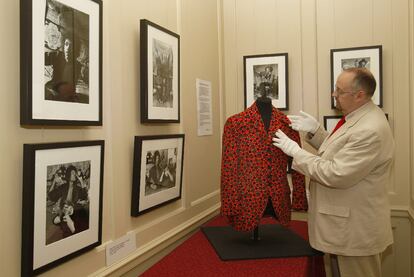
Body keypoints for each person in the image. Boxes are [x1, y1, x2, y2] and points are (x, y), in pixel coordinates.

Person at [272, 68, 394, 277]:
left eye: (339, 90)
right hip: (344, 227)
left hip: (355, 230)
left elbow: (336, 173)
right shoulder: (359, 117)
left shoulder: (370, 129)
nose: (334, 94)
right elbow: (342, 151)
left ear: (359, 95)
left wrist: (296, 152)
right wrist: (315, 131)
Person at [48, 165, 89, 238]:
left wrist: (81, 180)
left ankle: (65, 219)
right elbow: (51, 196)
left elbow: (84, 196)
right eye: (72, 173)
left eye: (75, 173)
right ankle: (65, 218)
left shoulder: (78, 188)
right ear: (68, 174)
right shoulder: (63, 187)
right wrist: (54, 180)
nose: (74, 174)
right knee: (56, 221)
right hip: (64, 210)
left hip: (73, 211)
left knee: (68, 227)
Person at [45, 35, 82, 102]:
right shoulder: (57, 55)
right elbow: (40, 58)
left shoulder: (77, 65)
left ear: (76, 49)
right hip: (52, 89)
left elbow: (71, 87)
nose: (68, 48)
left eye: (72, 46)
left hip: (65, 94)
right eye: (66, 44)